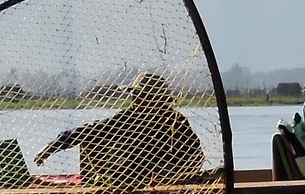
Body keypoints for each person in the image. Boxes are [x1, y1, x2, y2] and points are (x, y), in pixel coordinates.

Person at [35, 71, 205, 185]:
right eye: (135, 96)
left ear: (158, 99)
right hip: (135, 179)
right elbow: (91, 130)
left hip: (167, 179)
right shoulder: (130, 117)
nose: (136, 101)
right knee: (95, 142)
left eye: (141, 97)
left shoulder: (176, 122)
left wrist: (175, 178)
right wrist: (53, 146)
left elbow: (195, 156)